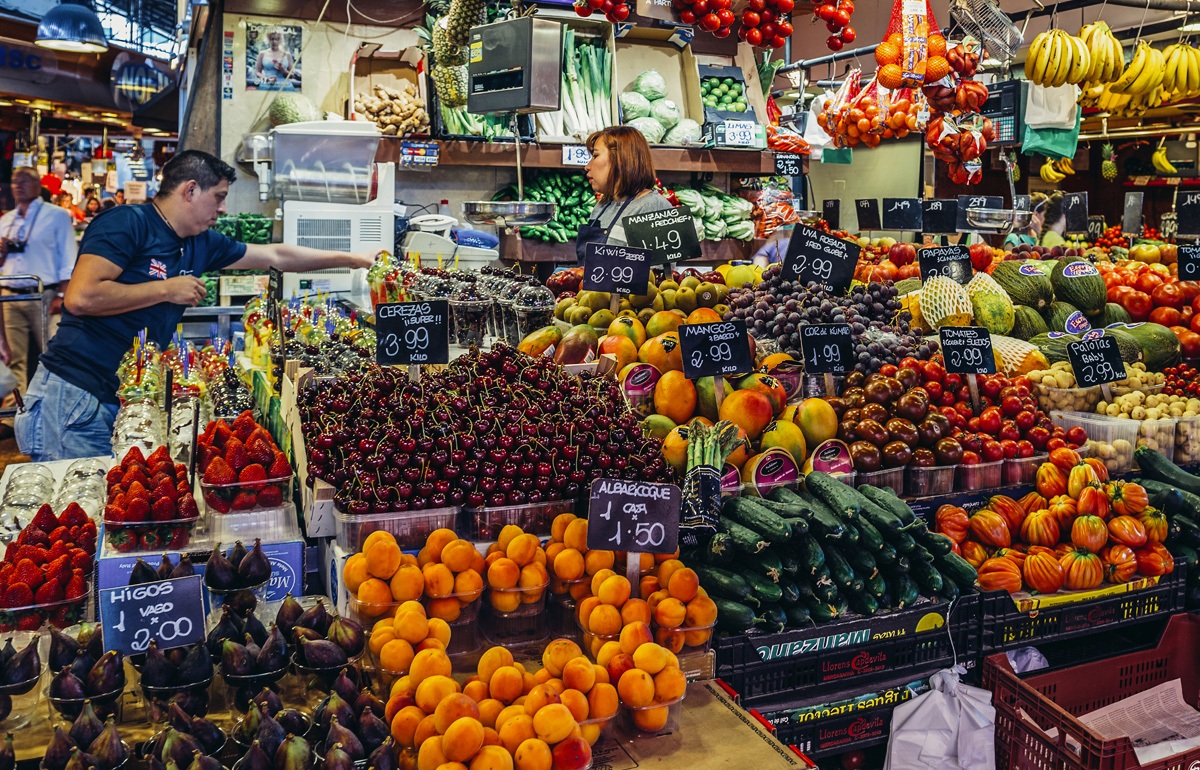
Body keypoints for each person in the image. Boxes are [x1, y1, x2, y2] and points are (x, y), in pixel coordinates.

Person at [16, 150, 379, 461]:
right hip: (74, 396)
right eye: (218, 197)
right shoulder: (128, 223)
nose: (222, 209)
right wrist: (165, 289)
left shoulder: (199, 242)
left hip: (120, 399)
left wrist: (352, 258)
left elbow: (276, 254)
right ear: (190, 189)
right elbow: (81, 298)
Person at [0, 167, 78, 436]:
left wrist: (62, 294)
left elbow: (69, 256)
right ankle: (13, 417)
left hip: (44, 294)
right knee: (13, 359)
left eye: (24, 181)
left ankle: (56, 410)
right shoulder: (6, 220)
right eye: (14, 181)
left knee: (53, 355)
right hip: (10, 293)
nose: (18, 185)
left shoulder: (56, 216)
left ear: (37, 185)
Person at [576, 126, 673, 262]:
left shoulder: (653, 208)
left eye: (595, 156)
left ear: (620, 159)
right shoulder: (604, 204)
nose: (587, 166)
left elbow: (656, 277)